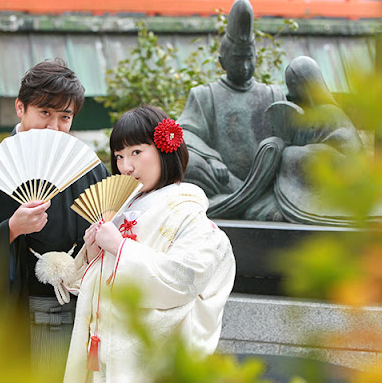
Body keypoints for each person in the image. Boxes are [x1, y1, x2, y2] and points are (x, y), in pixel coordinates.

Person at [0, 58, 110, 382]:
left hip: (78, 316)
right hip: (10, 317)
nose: (54, 127)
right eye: (44, 112)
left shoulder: (88, 169)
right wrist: (10, 230)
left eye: (64, 117)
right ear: (20, 107)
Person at [38, 105, 236, 382]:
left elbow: (185, 279)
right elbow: (98, 284)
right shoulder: (121, 210)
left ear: (166, 148)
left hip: (146, 359)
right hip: (103, 347)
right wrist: (94, 255)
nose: (125, 167)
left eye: (136, 152)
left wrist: (120, 249)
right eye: (119, 156)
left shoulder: (189, 213)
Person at [177, 0, 287, 218]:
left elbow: (288, 140)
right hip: (223, 183)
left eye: (250, 58)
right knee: (186, 163)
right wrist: (211, 157)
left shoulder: (273, 94)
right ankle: (240, 201)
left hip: (264, 184)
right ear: (222, 60)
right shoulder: (205, 95)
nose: (245, 66)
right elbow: (183, 133)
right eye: (238, 59)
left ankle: (251, 201)